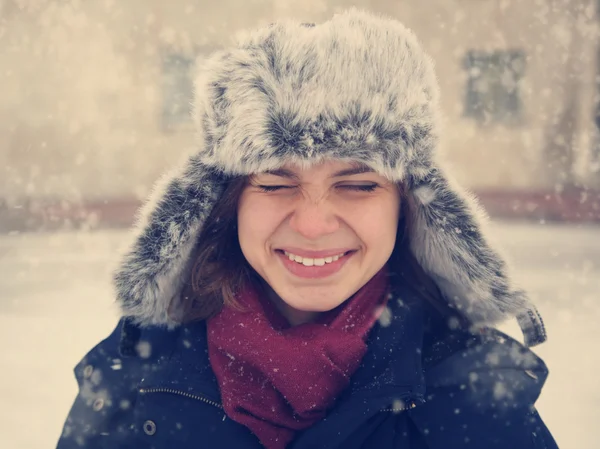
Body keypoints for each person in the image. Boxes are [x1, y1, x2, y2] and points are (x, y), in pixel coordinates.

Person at [56, 9, 558, 449]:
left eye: (358, 185)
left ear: (407, 208)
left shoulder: (474, 392)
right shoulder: (138, 376)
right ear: (226, 204)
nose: (313, 224)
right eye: (275, 185)